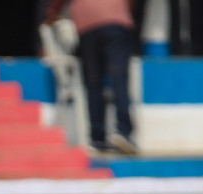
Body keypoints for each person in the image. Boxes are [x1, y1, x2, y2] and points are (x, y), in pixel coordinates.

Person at [48, 0, 137, 154]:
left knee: (93, 81)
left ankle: (97, 138)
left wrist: (52, 13)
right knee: (119, 78)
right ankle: (123, 132)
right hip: (115, 21)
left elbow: (56, 5)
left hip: (87, 24)